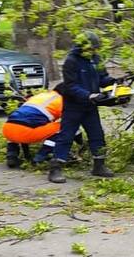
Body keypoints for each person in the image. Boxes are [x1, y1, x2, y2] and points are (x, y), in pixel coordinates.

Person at [48, 31, 117, 184]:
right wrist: (89, 95)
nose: (94, 51)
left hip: (90, 107)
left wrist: (114, 82)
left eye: (95, 49)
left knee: (97, 135)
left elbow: (102, 78)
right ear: (82, 47)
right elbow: (70, 86)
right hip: (73, 106)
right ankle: (56, 168)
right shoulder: (71, 61)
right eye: (91, 49)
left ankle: (99, 166)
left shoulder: (95, 59)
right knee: (66, 136)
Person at [1, 88, 63, 169]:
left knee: (16, 124)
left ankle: (11, 156)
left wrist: (27, 154)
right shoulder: (63, 101)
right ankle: (40, 157)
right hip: (27, 133)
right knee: (63, 126)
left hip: (7, 130)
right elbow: (70, 123)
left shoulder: (40, 96)